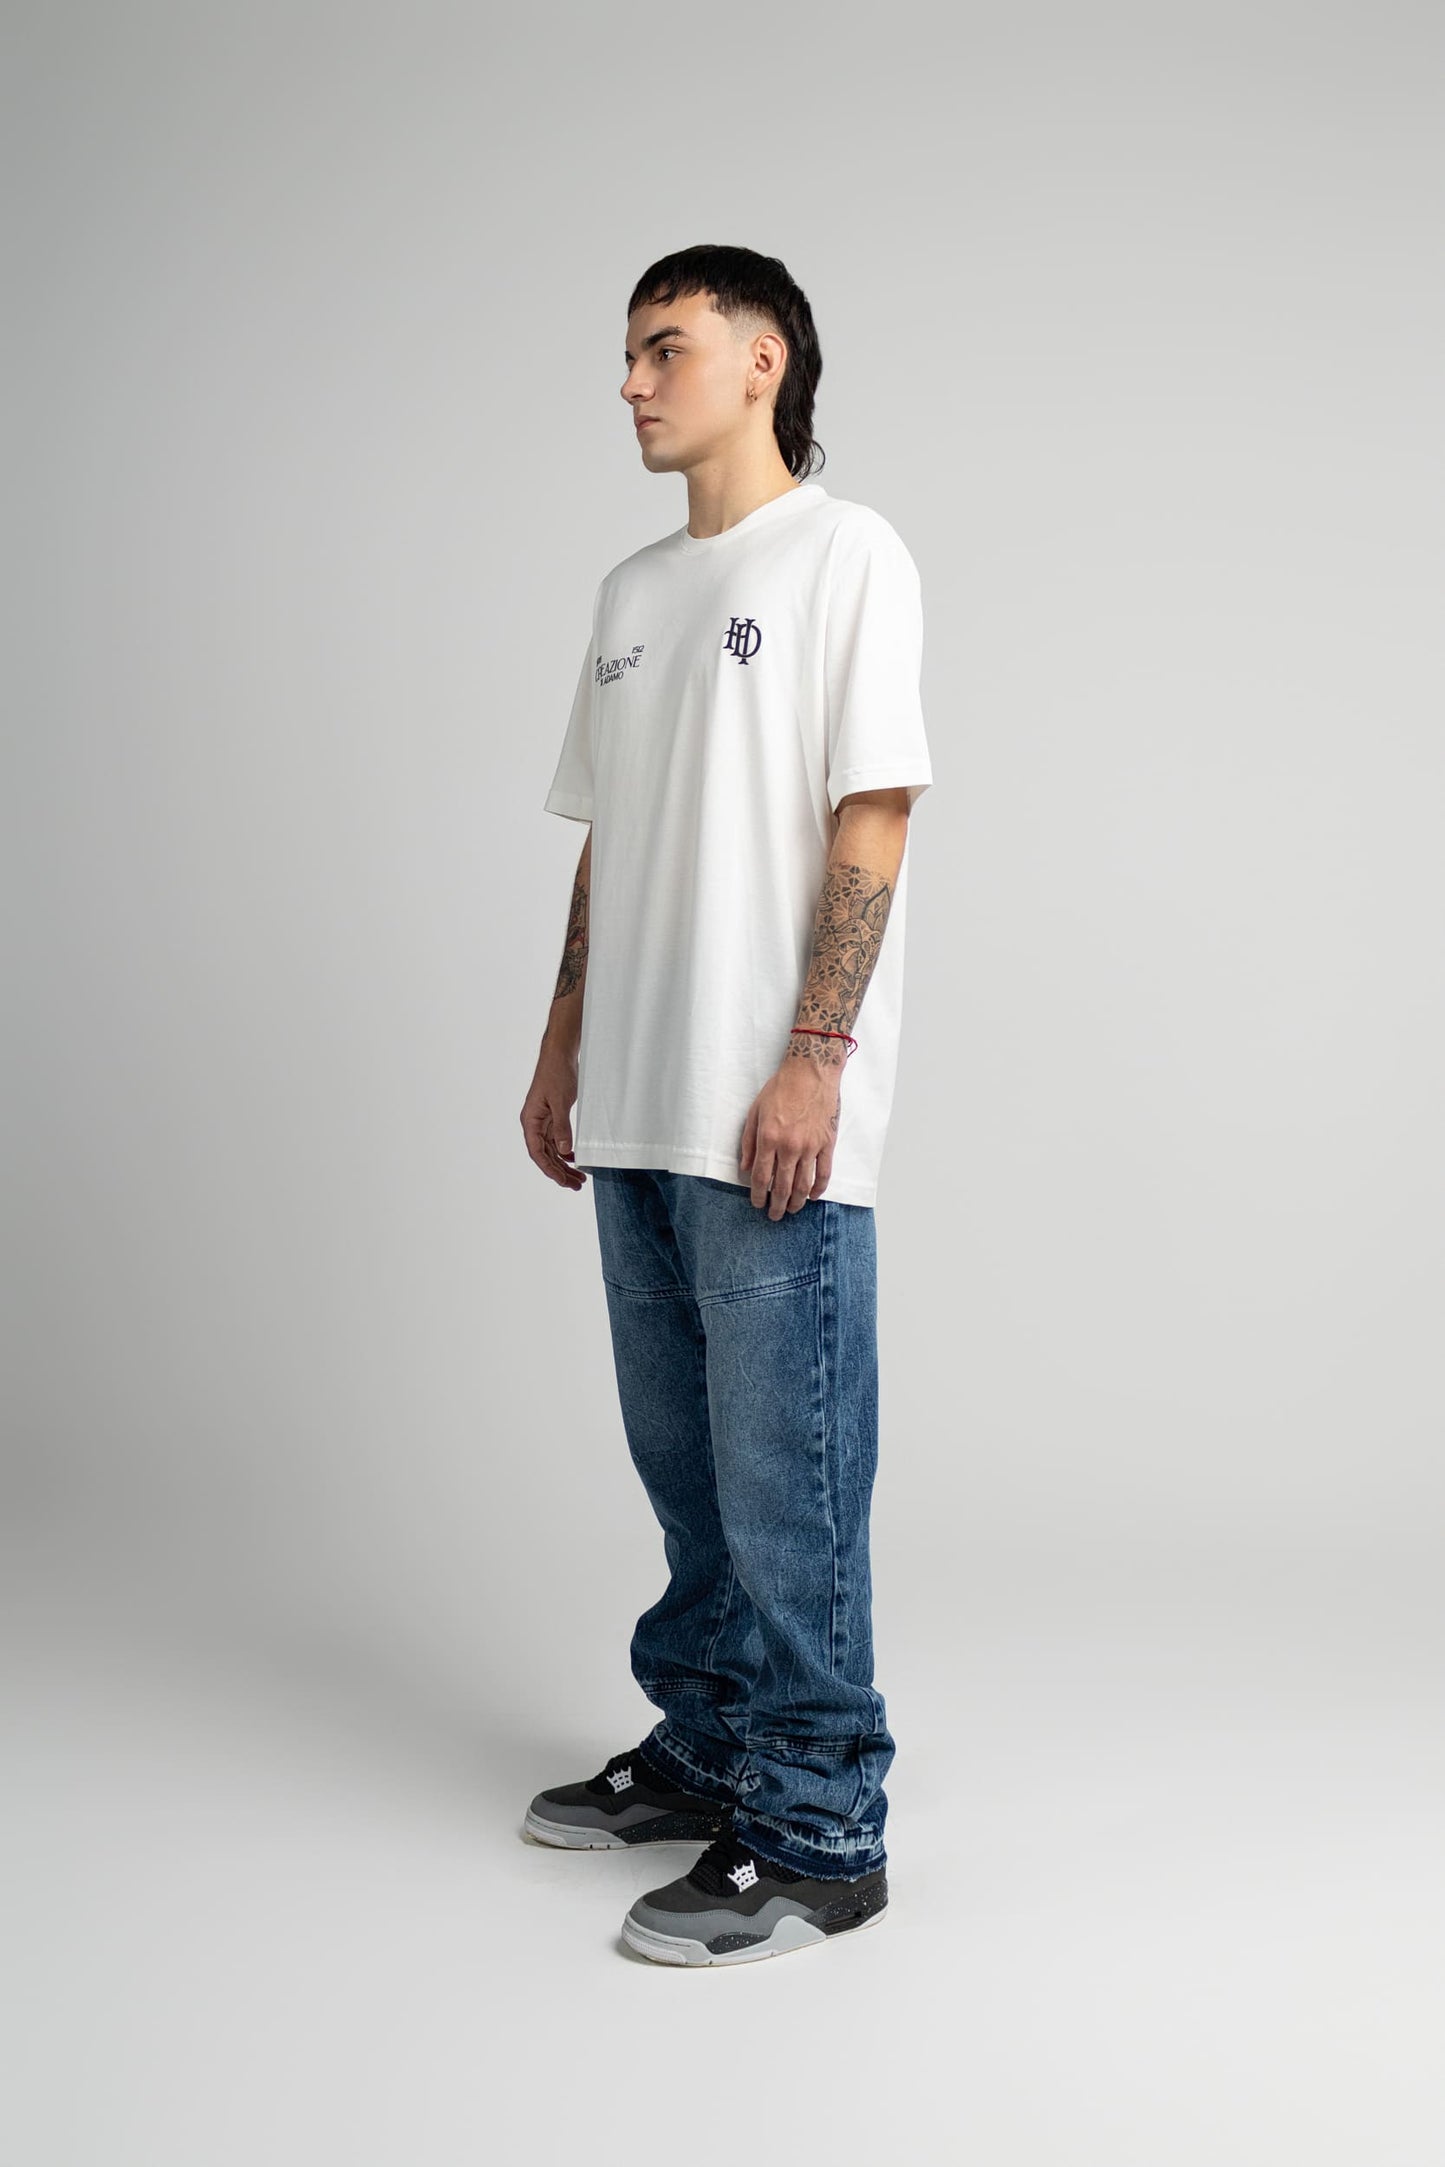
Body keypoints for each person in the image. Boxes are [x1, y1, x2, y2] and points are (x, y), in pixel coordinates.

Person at [519, 243, 933, 1967]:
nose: (629, 382)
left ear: (762, 361)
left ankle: (823, 1829)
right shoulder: (630, 594)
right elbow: (608, 837)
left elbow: (873, 810)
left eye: (662, 347)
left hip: (767, 1109)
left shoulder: (846, 554)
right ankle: (704, 1745)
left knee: (787, 1489)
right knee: (687, 1479)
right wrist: (561, 1043)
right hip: (635, 1100)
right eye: (626, 353)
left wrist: (815, 1054)